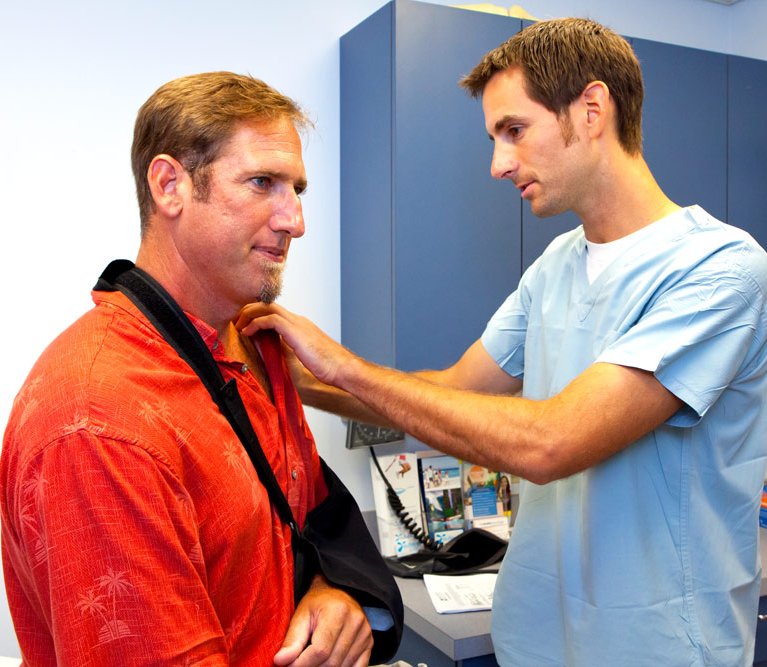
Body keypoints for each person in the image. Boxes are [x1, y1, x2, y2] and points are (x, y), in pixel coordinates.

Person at [236, 18, 767, 666]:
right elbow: (451, 393)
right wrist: (287, 376)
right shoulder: (554, 269)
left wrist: (344, 365)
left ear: (592, 110)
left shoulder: (720, 270)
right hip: (538, 638)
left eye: (513, 130)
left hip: (658, 646)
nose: (498, 163)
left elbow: (552, 441)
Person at [0, 72, 373, 666]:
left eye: (296, 189)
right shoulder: (97, 422)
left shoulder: (254, 343)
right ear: (170, 186)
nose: (295, 221)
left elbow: (297, 527)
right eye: (262, 183)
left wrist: (328, 593)